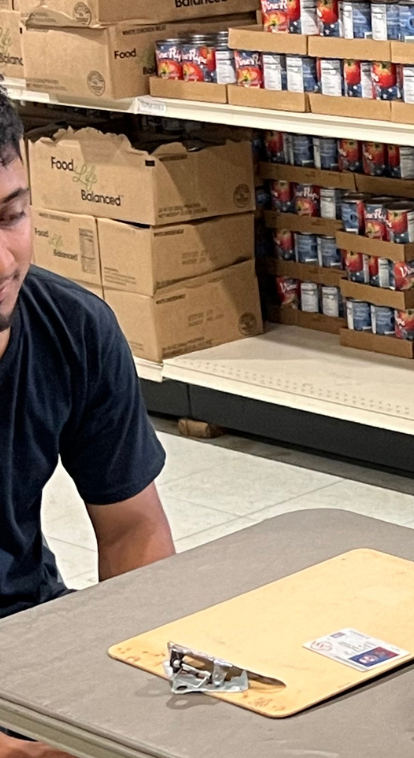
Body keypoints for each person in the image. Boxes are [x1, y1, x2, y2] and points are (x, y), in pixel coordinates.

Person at [0, 93, 176, 757]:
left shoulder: (73, 329)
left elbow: (134, 527)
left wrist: (148, 683)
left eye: (13, 215)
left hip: (29, 640)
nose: (4, 262)